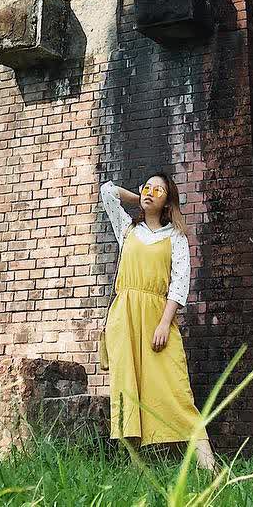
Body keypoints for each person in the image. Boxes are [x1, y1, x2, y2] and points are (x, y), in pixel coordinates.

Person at [99, 175, 216, 470]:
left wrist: (165, 324)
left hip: (157, 318)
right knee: (128, 389)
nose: (151, 193)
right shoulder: (128, 229)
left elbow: (179, 284)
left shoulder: (175, 237)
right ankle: (138, 471)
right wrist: (138, 198)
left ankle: (210, 468)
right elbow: (107, 192)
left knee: (177, 391)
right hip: (124, 318)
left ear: (168, 199)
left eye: (157, 190)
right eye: (147, 188)